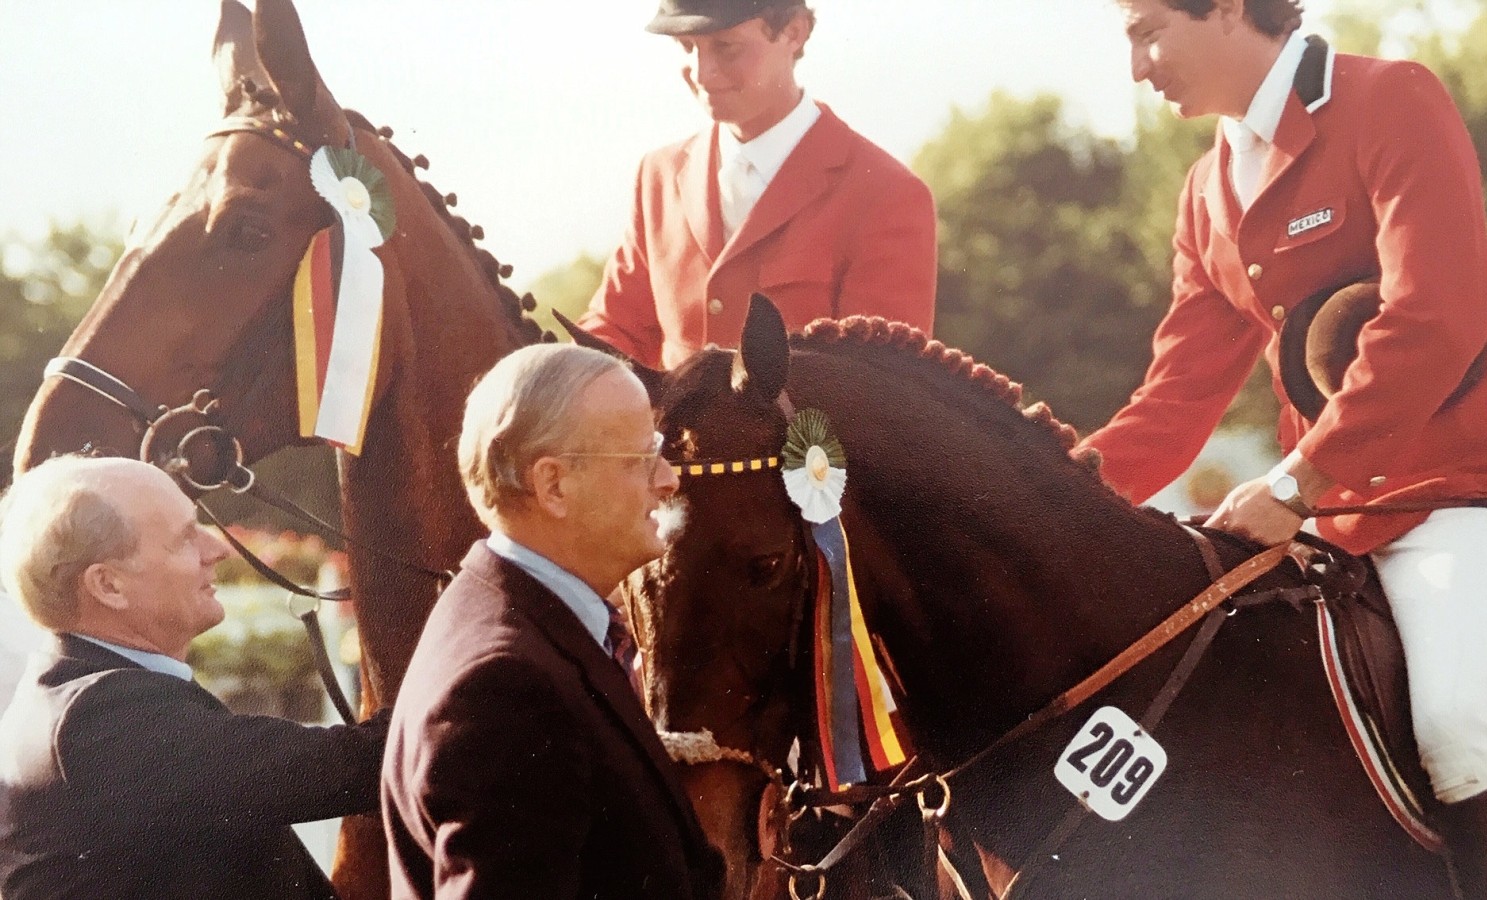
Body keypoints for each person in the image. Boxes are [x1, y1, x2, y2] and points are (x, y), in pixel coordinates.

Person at [1079, 1, 1487, 897]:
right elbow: (1175, 397)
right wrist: (1048, 490)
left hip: (1472, 494)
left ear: (1229, 9)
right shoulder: (1205, 192)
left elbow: (1438, 317)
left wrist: (1299, 482)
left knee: (1457, 725)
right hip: (1333, 519)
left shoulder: (1392, 101)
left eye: (1149, 30)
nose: (1136, 66)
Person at [381, 344, 724, 898]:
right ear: (554, 486)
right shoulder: (504, 688)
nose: (668, 479)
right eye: (642, 458)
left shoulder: (511, 619)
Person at [0, 455, 390, 900]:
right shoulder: (101, 716)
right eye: (184, 538)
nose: (217, 550)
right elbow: (357, 765)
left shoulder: (71, 696)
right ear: (108, 586)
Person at [577, 0, 937, 370]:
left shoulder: (887, 194)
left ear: (794, 32)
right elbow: (615, 332)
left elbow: (879, 386)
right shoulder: (658, 175)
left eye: (726, 47)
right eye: (687, 47)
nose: (702, 73)